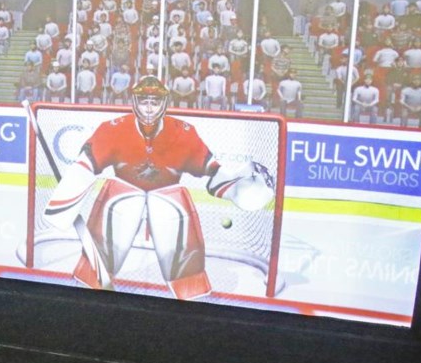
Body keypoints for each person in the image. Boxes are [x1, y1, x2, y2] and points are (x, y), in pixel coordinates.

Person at [41, 75, 275, 300]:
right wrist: (64, 203)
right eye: (144, 101)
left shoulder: (184, 132)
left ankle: (189, 287)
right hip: (123, 197)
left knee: (172, 203)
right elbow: (86, 165)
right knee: (119, 196)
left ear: (164, 102)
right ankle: (93, 277)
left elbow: (212, 171)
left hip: (168, 199)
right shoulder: (112, 129)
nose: (149, 108)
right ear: (134, 101)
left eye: (155, 102)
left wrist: (237, 190)